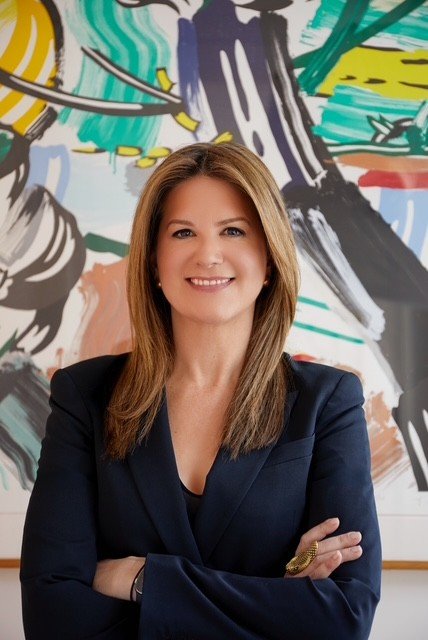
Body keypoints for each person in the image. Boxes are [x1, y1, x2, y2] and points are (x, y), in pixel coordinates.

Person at [20, 142, 381, 639]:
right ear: (154, 261)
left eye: (233, 231)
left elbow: (344, 620)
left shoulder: (329, 402)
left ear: (269, 257)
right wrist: (276, 597)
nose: (208, 254)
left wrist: (145, 580)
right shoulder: (84, 396)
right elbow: (52, 617)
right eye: (183, 232)